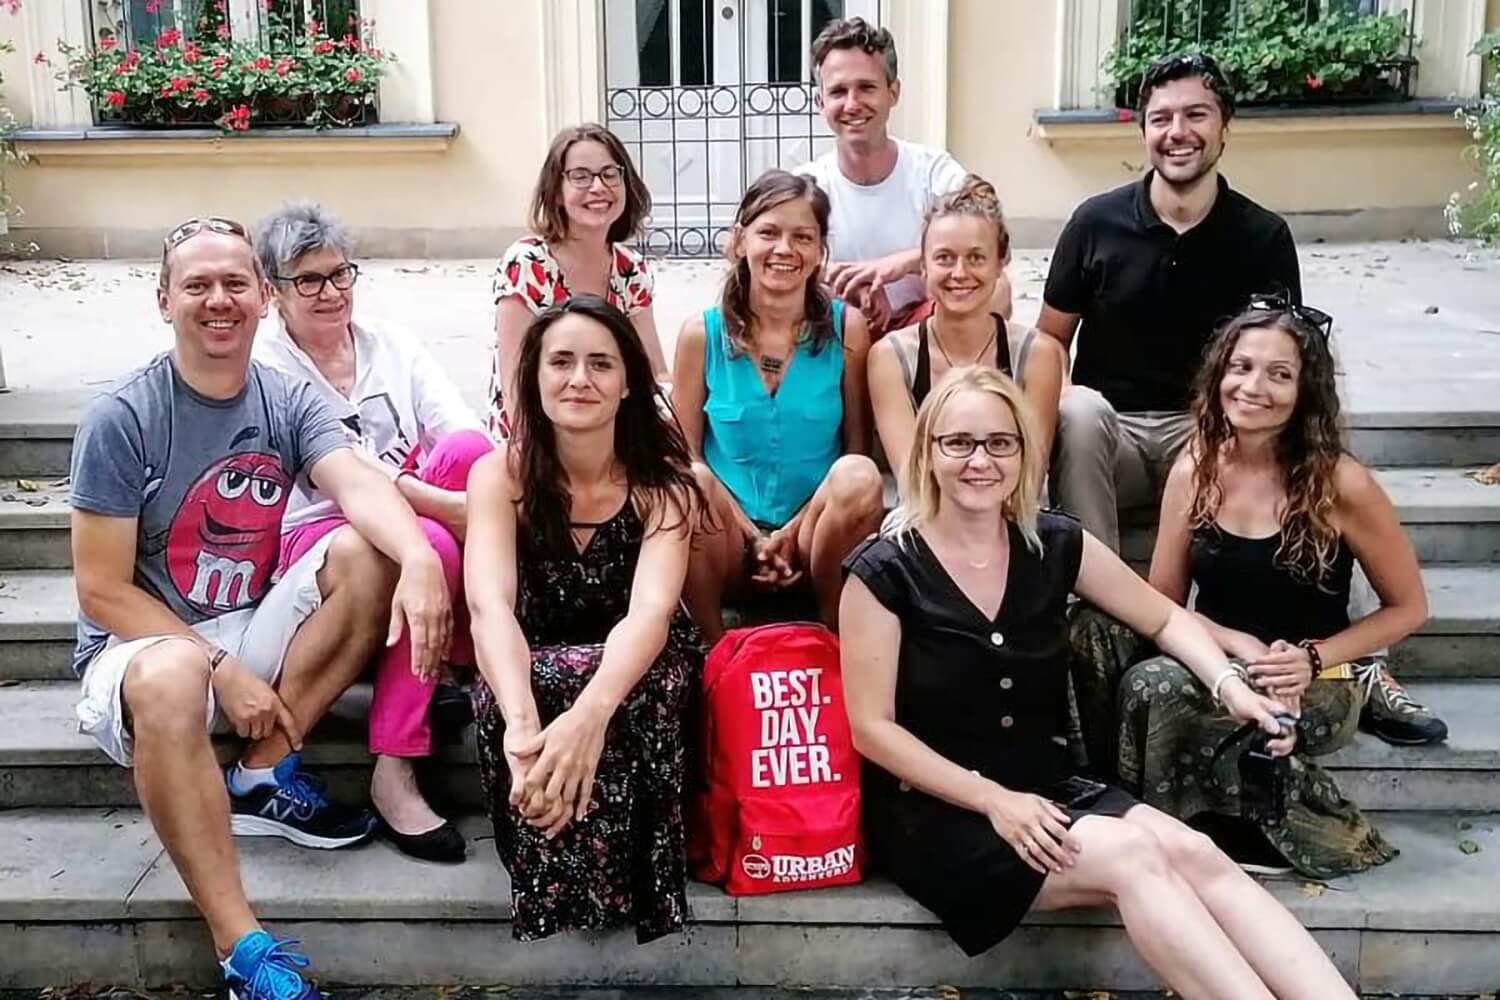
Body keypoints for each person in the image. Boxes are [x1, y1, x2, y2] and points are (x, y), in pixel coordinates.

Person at [840, 365, 1356, 999]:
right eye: (960, 443)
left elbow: (1164, 616)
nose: (981, 460)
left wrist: (1232, 687)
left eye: (1000, 443)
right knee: (1132, 855)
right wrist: (993, 800)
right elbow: (872, 729)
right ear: (928, 452)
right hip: (941, 813)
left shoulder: (1053, 542)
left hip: (1048, 787)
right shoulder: (884, 571)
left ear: (1024, 453)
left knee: (1196, 852)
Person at [70, 217, 452, 999]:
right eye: (198, 285)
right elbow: (101, 590)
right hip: (141, 648)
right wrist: (218, 667)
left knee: (367, 551)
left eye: (235, 283)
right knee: (175, 673)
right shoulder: (124, 417)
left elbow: (355, 480)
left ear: (262, 297)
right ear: (164, 300)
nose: (219, 299)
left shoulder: (285, 396)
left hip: (248, 624)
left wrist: (419, 558)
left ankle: (262, 771)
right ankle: (242, 949)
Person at [1070, 301, 1443, 878]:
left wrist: (1313, 659)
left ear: (1305, 391)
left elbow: (1409, 608)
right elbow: (1160, 603)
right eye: (1241, 367)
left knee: (1154, 684)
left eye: (1279, 374)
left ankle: (1214, 826)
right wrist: (1232, 641)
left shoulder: (1342, 483)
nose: (1253, 387)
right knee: (1091, 628)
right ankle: (1093, 797)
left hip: (1316, 677)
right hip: (1215, 654)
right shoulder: (1195, 467)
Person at [253, 202, 494, 863]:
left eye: (340, 274)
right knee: (436, 542)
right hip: (321, 534)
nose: (331, 292)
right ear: (273, 290)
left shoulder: (390, 342)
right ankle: (396, 766)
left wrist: (459, 494)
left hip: (408, 511)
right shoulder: (267, 367)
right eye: (308, 280)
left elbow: (459, 428)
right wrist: (439, 504)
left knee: (472, 454)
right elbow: (336, 477)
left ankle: (450, 662)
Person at [465, 295, 706, 943]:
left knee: (616, 679)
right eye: (561, 362)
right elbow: (488, 606)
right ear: (534, 377)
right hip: (530, 659)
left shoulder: (664, 486)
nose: (579, 379)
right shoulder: (500, 476)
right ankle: (555, 877)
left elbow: (651, 615)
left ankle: (625, 880)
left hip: (639, 662)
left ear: (628, 383)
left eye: (601, 364)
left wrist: (587, 720)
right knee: (519, 684)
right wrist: (524, 730)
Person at [1041, 52, 1300, 552]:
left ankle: (1208, 597)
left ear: (1225, 127)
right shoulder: (1094, 224)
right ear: (1144, 132)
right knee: (1078, 413)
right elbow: (1050, 339)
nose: (1177, 132)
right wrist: (1066, 395)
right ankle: (1094, 588)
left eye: (1195, 114)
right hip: (1110, 435)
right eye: (1161, 118)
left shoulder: (1263, 236)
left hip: (1208, 434)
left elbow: (1283, 355)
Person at [672, 170, 884, 641]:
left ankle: (833, 635)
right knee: (689, 482)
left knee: (859, 476)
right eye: (768, 233)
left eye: (802, 237)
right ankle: (711, 648)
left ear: (821, 250)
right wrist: (752, 536)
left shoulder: (847, 329)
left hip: (813, 538)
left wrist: (791, 533)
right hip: (727, 538)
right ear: (739, 240)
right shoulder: (700, 336)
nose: (784, 249)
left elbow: (855, 448)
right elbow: (687, 454)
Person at [795, 16, 1010, 338]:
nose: (852, 104)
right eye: (838, 91)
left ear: (893, 92)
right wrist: (841, 281)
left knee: (998, 290)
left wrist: (904, 263)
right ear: (820, 102)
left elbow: (993, 235)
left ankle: (953, 371)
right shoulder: (807, 185)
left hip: (924, 329)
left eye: (866, 87)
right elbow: (750, 255)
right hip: (839, 330)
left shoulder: (932, 172)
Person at [868, 174, 1065, 475]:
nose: (959, 273)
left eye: (976, 258)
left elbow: (1030, 474)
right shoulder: (891, 358)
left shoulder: (1037, 355)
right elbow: (911, 476)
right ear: (923, 266)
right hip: (924, 503)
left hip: (1010, 503)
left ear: (1000, 264)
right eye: (944, 258)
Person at [486, 123, 666, 439]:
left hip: (608, 436)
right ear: (556, 191)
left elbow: (654, 373)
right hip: (533, 438)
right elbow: (515, 385)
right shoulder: (528, 264)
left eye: (610, 174)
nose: (598, 187)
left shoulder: (631, 269)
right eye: (580, 176)